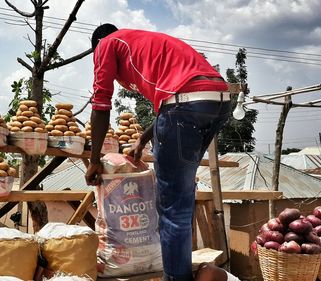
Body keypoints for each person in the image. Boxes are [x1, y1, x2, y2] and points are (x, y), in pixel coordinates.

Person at [85, 24, 232, 281]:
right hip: (218, 100)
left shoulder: (106, 44)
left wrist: (94, 160)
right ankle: (182, 272)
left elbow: (101, 103)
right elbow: (171, 102)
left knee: (173, 207)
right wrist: (142, 141)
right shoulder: (145, 42)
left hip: (185, 104)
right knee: (182, 198)